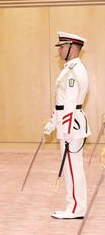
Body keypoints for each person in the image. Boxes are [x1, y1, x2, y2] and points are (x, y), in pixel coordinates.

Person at [44, 31, 90, 220]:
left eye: (62, 47)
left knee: (72, 168)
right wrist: (52, 123)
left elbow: (70, 104)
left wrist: (67, 129)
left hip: (71, 127)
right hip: (69, 124)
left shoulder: (73, 71)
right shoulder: (70, 68)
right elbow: (61, 103)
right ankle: (74, 206)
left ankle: (76, 209)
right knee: (72, 167)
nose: (60, 50)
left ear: (72, 48)